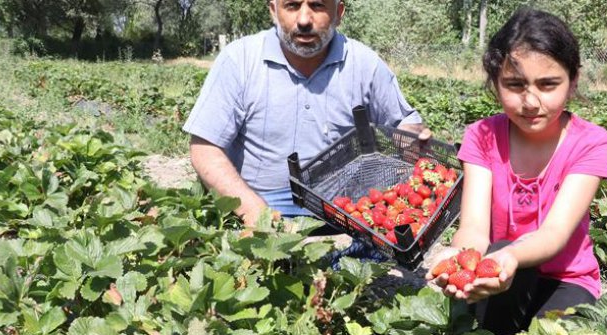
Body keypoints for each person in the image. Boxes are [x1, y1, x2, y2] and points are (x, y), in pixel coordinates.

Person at [426, 8, 607, 335]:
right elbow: (473, 227)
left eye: (547, 85)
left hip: (565, 279)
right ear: (496, 84)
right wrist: (462, 256)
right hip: (497, 273)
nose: (530, 101)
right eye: (514, 85)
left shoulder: (592, 143)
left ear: (573, 82)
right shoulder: (481, 136)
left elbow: (554, 234)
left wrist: (510, 256)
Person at [183, 0, 429, 228]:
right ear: (273, 10)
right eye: (291, 5)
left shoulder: (364, 63)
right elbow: (205, 149)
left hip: (347, 211)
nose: (303, 19)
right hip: (261, 202)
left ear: (339, 13)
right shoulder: (240, 60)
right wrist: (255, 213)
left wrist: (410, 140)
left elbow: (405, 124)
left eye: (317, 5)